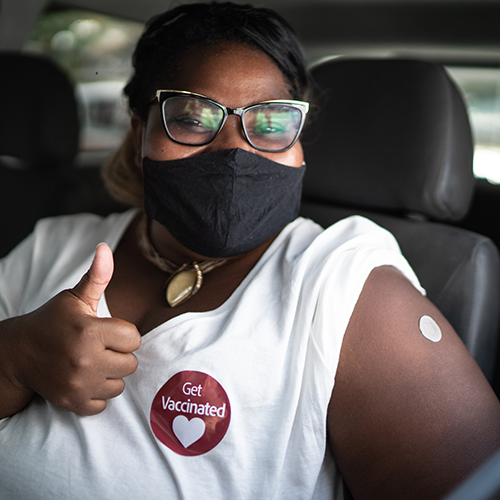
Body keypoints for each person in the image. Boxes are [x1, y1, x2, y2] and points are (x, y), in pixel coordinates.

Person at [0, 2, 499, 499]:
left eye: (271, 122)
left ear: (297, 139)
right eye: (193, 118)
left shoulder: (340, 283)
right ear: (139, 135)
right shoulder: (53, 245)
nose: (234, 151)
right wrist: (13, 360)